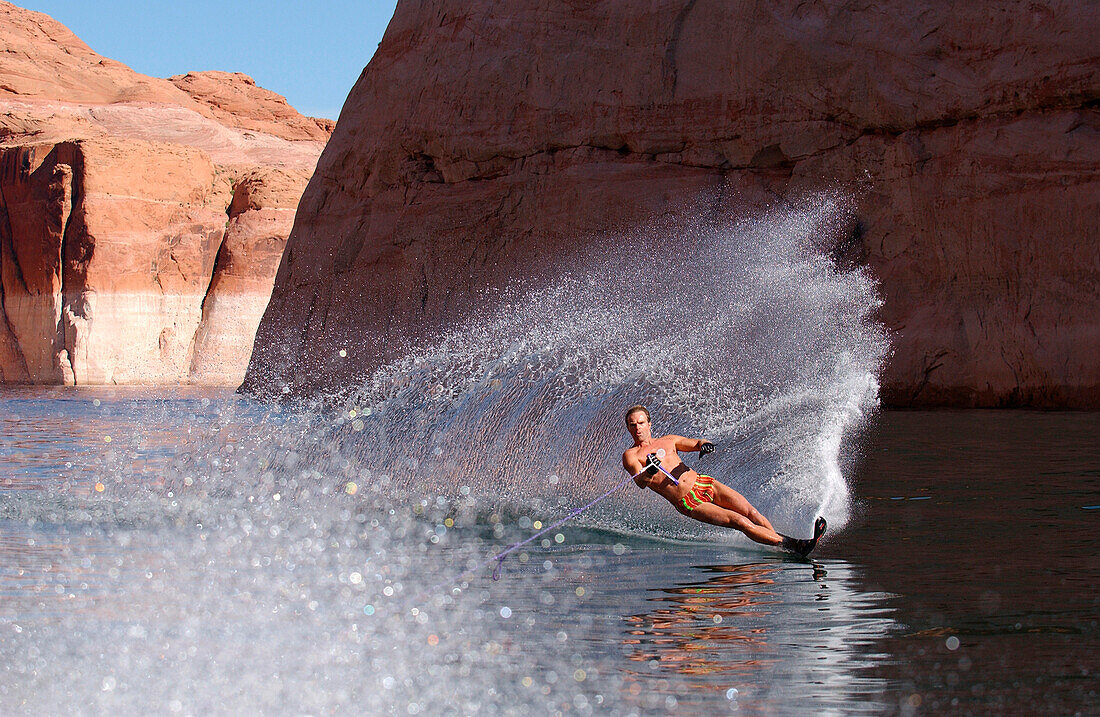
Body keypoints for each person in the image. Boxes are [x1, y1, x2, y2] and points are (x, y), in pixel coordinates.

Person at [621, 404, 826, 556]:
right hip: (689, 502)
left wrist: (705, 445)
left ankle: (782, 546)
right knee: (739, 521)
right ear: (629, 428)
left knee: (751, 513)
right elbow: (640, 482)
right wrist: (650, 470)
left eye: (641, 423)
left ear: (649, 424)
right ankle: (795, 545)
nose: (638, 428)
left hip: (705, 484)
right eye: (633, 425)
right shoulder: (631, 456)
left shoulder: (669, 440)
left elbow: (697, 442)